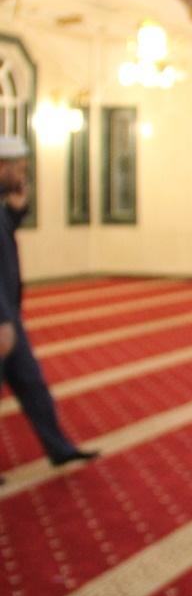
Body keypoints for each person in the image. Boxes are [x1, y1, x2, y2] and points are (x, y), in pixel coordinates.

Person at [0, 134, 99, 484]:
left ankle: (59, 447)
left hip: (9, 314)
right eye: (18, 169)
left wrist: (16, 209)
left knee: (32, 383)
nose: (22, 175)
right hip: (2, 317)